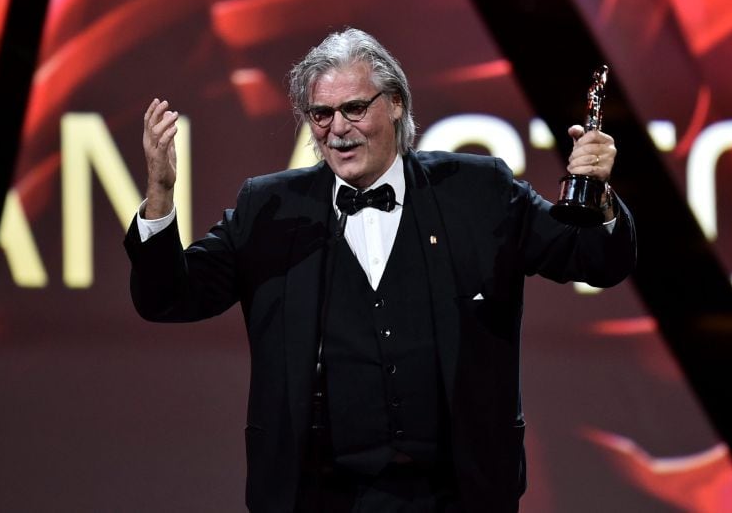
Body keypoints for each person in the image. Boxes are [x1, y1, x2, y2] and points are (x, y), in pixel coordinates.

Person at [125, 27, 636, 512]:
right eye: (321, 114)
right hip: (318, 496)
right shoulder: (271, 207)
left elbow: (594, 260)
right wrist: (160, 197)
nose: (337, 129)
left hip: (457, 494)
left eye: (352, 108)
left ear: (395, 104)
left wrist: (601, 198)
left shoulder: (478, 191)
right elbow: (169, 297)